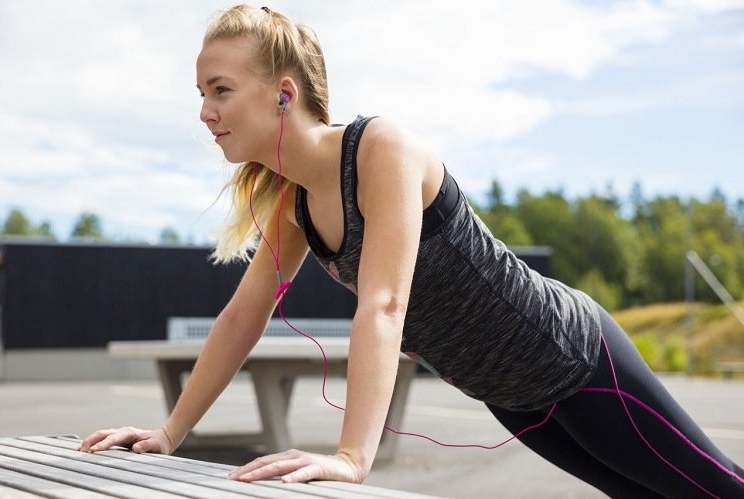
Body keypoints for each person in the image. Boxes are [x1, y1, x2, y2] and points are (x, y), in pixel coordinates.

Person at [80, 5, 744, 497]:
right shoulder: (293, 203)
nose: (205, 111)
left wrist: (350, 456)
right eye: (201, 93)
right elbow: (240, 318)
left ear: (283, 92)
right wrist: (170, 432)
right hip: (513, 397)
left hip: (574, 357)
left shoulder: (380, 148)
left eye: (220, 89)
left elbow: (385, 303)